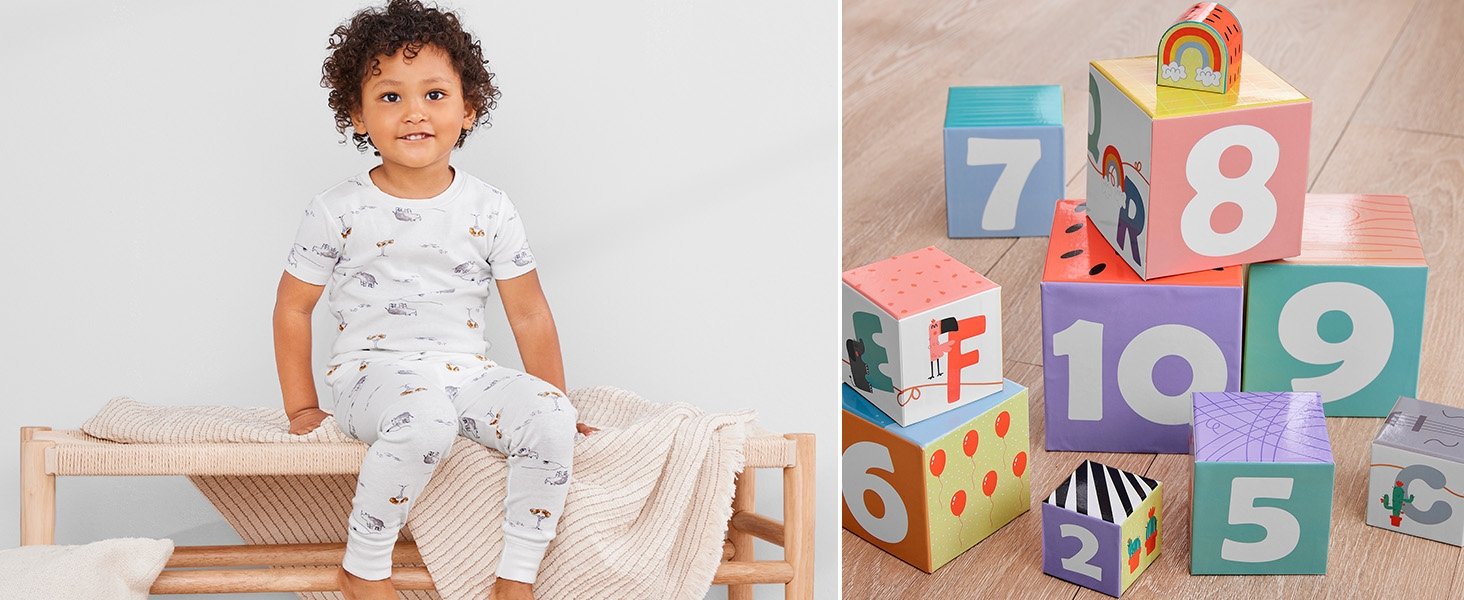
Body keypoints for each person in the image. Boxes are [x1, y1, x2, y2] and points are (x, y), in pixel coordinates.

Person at [272, 2, 591, 598]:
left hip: (466, 373)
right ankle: (363, 568)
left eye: (435, 95)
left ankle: (515, 576)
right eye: (390, 96)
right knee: (425, 421)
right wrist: (301, 408)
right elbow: (293, 308)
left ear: (468, 108)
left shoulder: (490, 208)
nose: (414, 112)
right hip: (371, 374)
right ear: (357, 115)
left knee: (550, 419)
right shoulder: (336, 210)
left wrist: (557, 399)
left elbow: (528, 312)